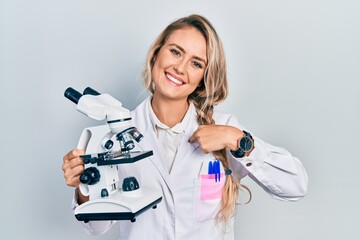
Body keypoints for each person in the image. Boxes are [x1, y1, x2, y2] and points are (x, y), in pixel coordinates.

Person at [62, 14, 308, 240]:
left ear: (204, 77)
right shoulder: (117, 137)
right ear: (156, 54)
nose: (180, 68)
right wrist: (85, 186)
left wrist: (236, 140)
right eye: (176, 52)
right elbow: (97, 227)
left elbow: (295, 186)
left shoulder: (225, 130)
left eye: (196, 64)